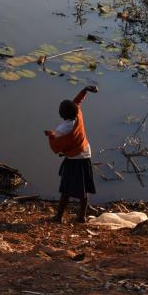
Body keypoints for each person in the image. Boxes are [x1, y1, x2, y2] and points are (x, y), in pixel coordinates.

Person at [44, 85, 98, 223]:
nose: (59, 111)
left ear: (62, 115)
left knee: (66, 189)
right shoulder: (78, 114)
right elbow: (77, 102)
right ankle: (82, 216)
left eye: (60, 110)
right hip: (86, 152)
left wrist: (50, 135)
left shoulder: (63, 128)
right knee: (83, 188)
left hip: (75, 159)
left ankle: (58, 217)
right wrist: (85, 90)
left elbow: (56, 147)